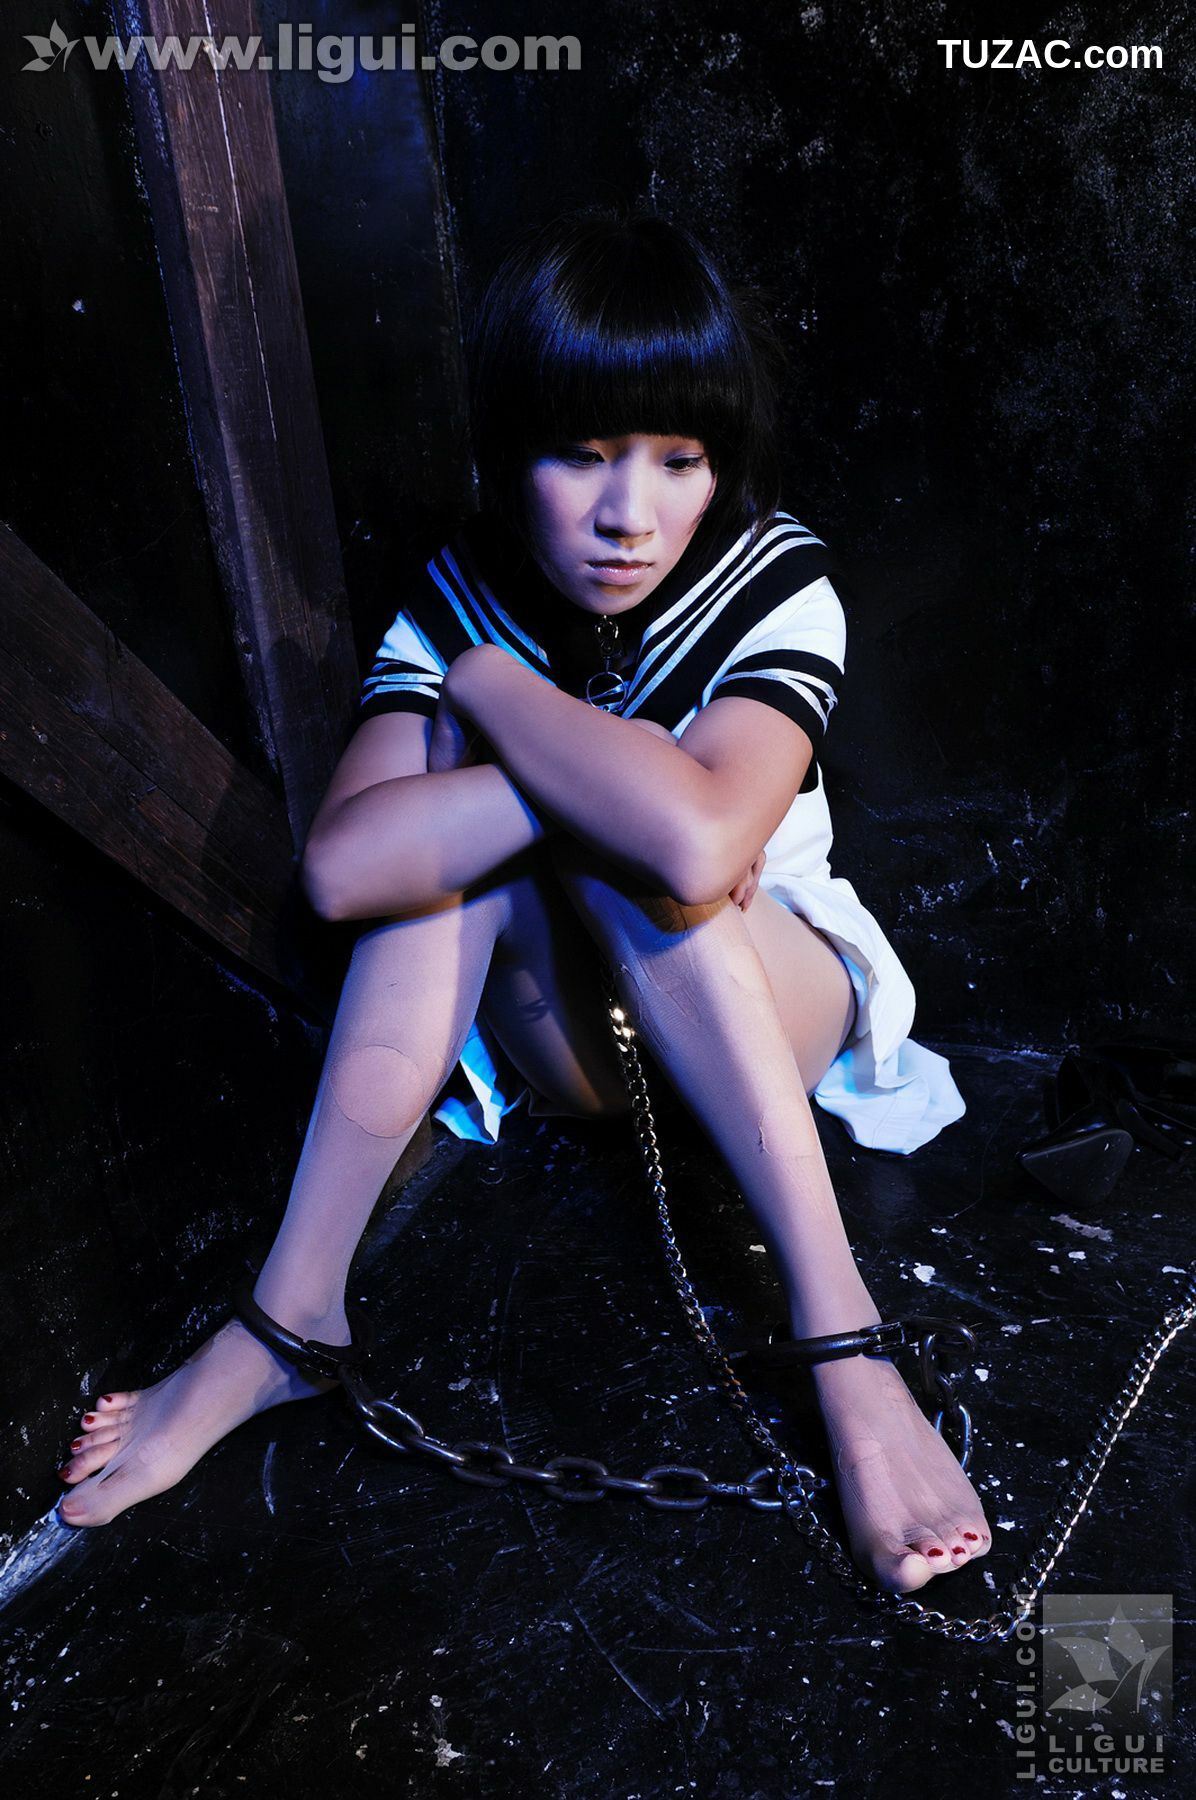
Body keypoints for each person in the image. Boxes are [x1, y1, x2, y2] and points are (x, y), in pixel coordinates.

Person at [56, 204, 990, 1595]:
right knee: (488, 845)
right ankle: (288, 1317)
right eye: (583, 454)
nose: (631, 515)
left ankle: (845, 1343)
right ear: (507, 454)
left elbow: (696, 856)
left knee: (619, 849)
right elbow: (346, 868)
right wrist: (514, 700)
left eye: (679, 459)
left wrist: (509, 729)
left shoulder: (771, 577)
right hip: (567, 1047)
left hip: (767, 1005)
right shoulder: (462, 607)